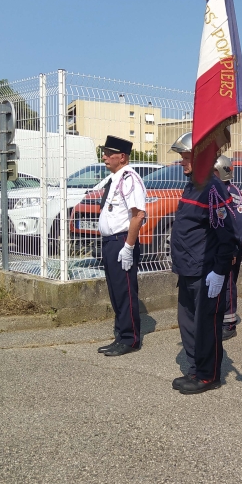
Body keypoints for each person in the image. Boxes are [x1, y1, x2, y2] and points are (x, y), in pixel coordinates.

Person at [169, 132, 239, 395]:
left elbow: (227, 234)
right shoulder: (192, 184)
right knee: (188, 322)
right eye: (182, 157)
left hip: (205, 270)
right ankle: (196, 367)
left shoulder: (213, 188)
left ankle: (208, 375)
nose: (182, 162)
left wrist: (220, 271)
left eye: (186, 157)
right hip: (187, 267)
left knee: (206, 325)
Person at [96, 136, 147, 357]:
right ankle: (120, 335)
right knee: (116, 292)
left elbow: (138, 215)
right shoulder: (115, 178)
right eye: (104, 152)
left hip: (122, 241)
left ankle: (130, 338)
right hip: (110, 242)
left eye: (109, 153)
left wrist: (128, 247)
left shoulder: (129, 179)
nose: (104, 156)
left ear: (123, 157)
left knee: (125, 292)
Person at [213, 155, 242, 341]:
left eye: (214, 172)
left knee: (228, 284)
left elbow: (239, 225)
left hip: (230, 249)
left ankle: (229, 322)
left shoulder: (232, 193)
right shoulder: (213, 190)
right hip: (215, 249)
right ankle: (217, 318)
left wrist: (234, 249)